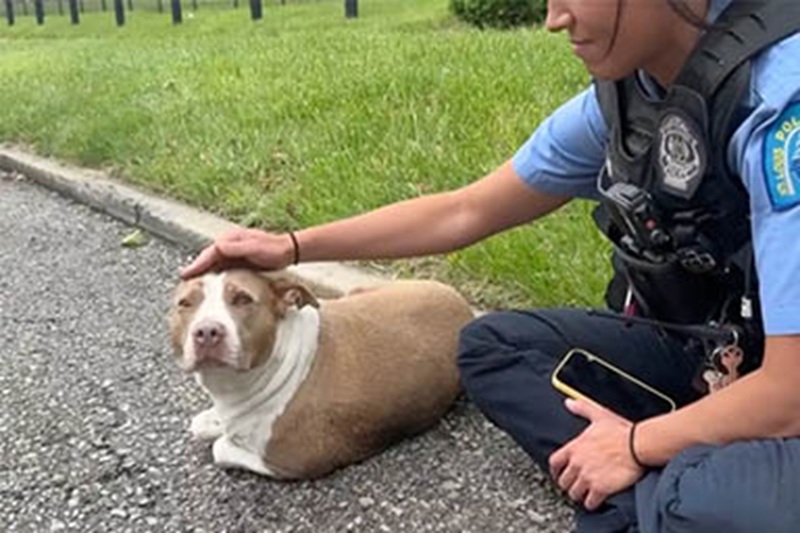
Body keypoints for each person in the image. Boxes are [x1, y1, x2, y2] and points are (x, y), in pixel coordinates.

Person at [181, 0, 800, 531]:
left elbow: (790, 393)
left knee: (703, 497)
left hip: (786, 387)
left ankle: (654, 488)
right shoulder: (635, 99)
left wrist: (638, 443)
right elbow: (465, 211)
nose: (554, 18)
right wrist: (291, 247)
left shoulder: (782, 105)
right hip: (719, 359)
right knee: (489, 347)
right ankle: (650, 485)